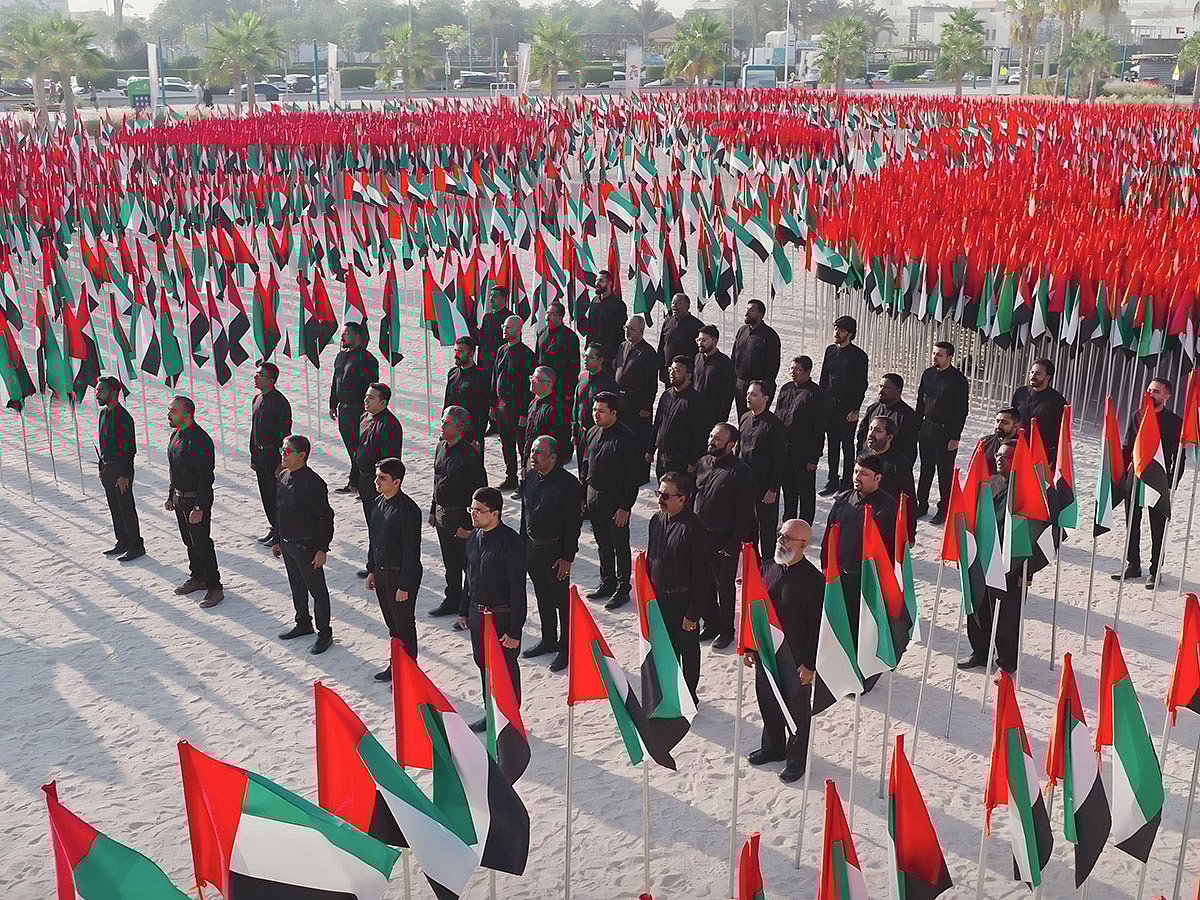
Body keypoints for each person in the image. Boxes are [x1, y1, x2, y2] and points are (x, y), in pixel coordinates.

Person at [745, 519, 823, 783]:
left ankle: (796, 761)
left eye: (788, 538)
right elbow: (753, 609)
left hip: (796, 658)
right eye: (781, 534)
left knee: (797, 711)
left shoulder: (814, 580)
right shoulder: (766, 568)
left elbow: (816, 627)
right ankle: (772, 747)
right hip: (766, 652)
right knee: (767, 701)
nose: (781, 540)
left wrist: (809, 664)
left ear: (803, 545)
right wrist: (749, 646)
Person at [458, 486, 526, 731]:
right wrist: (464, 609)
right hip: (478, 613)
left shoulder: (511, 543)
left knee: (505, 668)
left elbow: (517, 589)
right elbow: (470, 577)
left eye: (479, 510)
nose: (473, 514)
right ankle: (491, 712)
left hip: (501, 616)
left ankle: (511, 717)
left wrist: (515, 631)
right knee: (483, 665)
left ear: (495, 513)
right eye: (472, 509)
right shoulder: (473, 538)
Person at [961, 440, 1025, 674]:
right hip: (984, 553)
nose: (999, 459)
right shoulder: (991, 481)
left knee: (1006, 615)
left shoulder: (1026, 488)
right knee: (978, 604)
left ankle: (1007, 662)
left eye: (1006, 457)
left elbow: (1032, 531)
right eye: (998, 455)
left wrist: (1025, 569)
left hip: (1010, 562)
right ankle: (980, 652)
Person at [647, 472, 712, 701]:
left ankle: (689, 696)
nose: (660, 499)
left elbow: (702, 576)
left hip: (683, 602)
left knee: (688, 651)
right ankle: (670, 692)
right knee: (666, 649)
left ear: (682, 499)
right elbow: (652, 557)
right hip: (660, 598)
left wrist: (693, 614)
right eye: (659, 493)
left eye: (666, 495)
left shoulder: (695, 528)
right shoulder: (656, 520)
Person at [520, 436, 583, 672]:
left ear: (554, 458)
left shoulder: (568, 484)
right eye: (532, 452)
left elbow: (573, 525)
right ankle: (548, 639)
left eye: (538, 453)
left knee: (561, 602)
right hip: (532, 549)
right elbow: (525, 513)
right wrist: (522, 546)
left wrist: (567, 557)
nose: (532, 457)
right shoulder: (531, 477)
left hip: (556, 552)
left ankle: (566, 648)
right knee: (542, 596)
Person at [1113, 377, 1182, 588]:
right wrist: (1120, 474)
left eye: (1157, 391)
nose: (1151, 394)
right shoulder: (1138, 415)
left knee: (1157, 526)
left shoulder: (1174, 421)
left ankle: (1155, 570)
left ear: (1167, 396)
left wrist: (1171, 482)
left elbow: (1179, 456)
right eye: (1150, 390)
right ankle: (1133, 565)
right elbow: (1127, 446)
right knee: (1132, 522)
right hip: (1135, 475)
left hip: (1158, 479)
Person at [693, 423, 755, 648]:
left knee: (724, 587)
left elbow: (744, 514)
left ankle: (727, 631)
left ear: (731, 444)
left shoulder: (740, 472)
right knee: (703, 583)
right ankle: (711, 624)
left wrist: (732, 544)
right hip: (700, 536)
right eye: (711, 436)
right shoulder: (703, 463)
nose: (712, 441)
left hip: (723, 539)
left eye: (718, 439)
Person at [272, 435, 335, 655]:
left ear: (302, 455)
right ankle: (303, 622)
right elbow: (280, 511)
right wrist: (277, 539)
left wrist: (322, 548)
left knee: (317, 591)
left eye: (287, 451)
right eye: (283, 450)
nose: (283, 454)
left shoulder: (313, 483)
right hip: (288, 543)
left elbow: (326, 517)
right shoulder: (283, 475)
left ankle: (324, 633)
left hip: (307, 547)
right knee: (296, 585)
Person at [823, 454, 897, 638]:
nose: (857, 477)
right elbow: (828, 535)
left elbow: (891, 547)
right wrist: (826, 566)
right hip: (840, 577)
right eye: (856, 471)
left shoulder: (888, 507)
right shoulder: (842, 500)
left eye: (863, 473)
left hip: (868, 581)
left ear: (877, 478)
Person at [582, 391, 641, 609]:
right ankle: (607, 582)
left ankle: (622, 587)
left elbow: (632, 476)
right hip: (594, 495)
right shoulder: (592, 432)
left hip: (615, 500)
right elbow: (586, 464)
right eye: (594, 410)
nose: (596, 414)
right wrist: (583, 496)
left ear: (614, 413)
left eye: (601, 411)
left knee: (619, 545)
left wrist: (625, 506)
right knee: (602, 543)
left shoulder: (626, 439)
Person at [366, 458, 422, 680]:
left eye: (382, 478)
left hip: (400, 575)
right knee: (393, 625)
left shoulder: (408, 510)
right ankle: (396, 665)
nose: (377, 481)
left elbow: (411, 551)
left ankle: (410, 671)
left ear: (397, 482)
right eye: (377, 477)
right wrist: (371, 569)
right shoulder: (378, 503)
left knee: (404, 624)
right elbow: (373, 539)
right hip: (381, 573)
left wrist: (404, 585)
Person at [428, 406, 487, 618]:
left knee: (466, 565)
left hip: (460, 516)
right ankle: (452, 598)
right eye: (442, 422)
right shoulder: (441, 447)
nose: (442, 426)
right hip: (443, 515)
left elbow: (478, 492)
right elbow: (437, 480)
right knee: (450, 563)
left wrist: (469, 526)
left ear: (459, 428)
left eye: (447, 424)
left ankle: (470, 606)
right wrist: (434, 509)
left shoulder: (470, 455)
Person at [165, 396, 222, 608]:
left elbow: (206, 478)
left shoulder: (199, 440)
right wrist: (171, 495)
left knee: (202, 543)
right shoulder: (176, 435)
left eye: (173, 411)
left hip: (195, 500)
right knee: (189, 541)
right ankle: (197, 577)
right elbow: (174, 469)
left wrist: (199, 507)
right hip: (180, 499)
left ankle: (214, 586)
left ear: (187, 414)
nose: (169, 415)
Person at [914, 341, 969, 526]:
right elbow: (920, 402)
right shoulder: (928, 374)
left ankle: (944, 508)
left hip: (946, 432)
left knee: (944, 473)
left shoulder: (958, 380)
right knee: (926, 469)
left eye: (939, 355)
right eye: (934, 353)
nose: (935, 357)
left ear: (949, 357)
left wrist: (955, 436)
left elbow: (962, 410)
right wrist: (916, 427)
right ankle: (921, 504)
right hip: (927, 428)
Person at [355, 382, 404, 575]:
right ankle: (373, 563)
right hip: (364, 480)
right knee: (372, 523)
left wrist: (385, 485)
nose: (366, 400)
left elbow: (391, 462)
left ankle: (379, 566)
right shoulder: (365, 418)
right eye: (366, 396)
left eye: (371, 398)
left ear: (383, 402)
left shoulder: (389, 425)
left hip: (380, 483)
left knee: (382, 526)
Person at [818, 315, 869, 496]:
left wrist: (855, 409)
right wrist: (821, 402)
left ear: (850, 334)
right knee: (832, 444)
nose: (837, 333)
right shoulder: (830, 350)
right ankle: (832, 479)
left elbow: (861, 385)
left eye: (841, 330)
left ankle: (847, 482)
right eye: (836, 329)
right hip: (830, 405)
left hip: (848, 408)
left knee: (847, 445)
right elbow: (824, 378)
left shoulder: (859, 356)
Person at [739, 380, 788, 564]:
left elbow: (779, 461)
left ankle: (768, 565)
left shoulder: (774, 425)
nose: (748, 397)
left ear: (765, 398)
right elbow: (739, 450)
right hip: (745, 483)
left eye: (753, 395)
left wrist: (773, 489)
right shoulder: (745, 418)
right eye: (748, 394)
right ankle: (752, 563)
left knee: (766, 529)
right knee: (747, 526)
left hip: (765, 486)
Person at [774, 356, 827, 524]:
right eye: (791, 368)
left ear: (807, 371)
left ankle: (805, 526)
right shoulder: (786, 388)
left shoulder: (816, 394)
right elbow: (777, 415)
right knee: (789, 490)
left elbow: (818, 429)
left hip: (804, 452)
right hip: (785, 450)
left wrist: (814, 457)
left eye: (797, 369)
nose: (793, 372)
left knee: (805, 492)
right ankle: (789, 524)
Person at [96, 376, 144, 562]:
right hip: (107, 469)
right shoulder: (103, 414)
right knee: (114, 507)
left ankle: (136, 545)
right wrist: (101, 468)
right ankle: (122, 541)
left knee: (126, 508)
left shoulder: (124, 417)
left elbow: (129, 449)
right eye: (97, 390)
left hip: (120, 469)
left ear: (114, 393)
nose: (97, 394)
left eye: (101, 391)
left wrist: (125, 474)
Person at [329, 322, 379, 493]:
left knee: (362, 449)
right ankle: (354, 482)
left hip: (359, 410)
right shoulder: (340, 356)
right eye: (343, 333)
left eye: (347, 333)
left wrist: (369, 409)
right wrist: (332, 404)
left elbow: (372, 386)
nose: (343, 337)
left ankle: (364, 484)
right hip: (343, 409)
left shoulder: (367, 359)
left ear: (357, 336)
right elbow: (335, 381)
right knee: (352, 449)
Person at [250, 360, 292, 545]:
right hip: (260, 455)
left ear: (271, 380)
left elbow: (285, 434)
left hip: (273, 455)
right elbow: (254, 429)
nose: (255, 377)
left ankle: (281, 532)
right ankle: (274, 527)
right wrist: (253, 455)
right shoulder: (257, 399)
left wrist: (283, 462)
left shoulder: (279, 402)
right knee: (266, 495)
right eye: (256, 373)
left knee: (277, 496)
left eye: (260, 375)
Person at [491, 314, 535, 490]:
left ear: (519, 330)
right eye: (504, 326)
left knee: (522, 445)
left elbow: (529, 388)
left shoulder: (527, 354)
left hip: (518, 407)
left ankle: (526, 480)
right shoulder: (501, 351)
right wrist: (492, 404)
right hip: (502, 407)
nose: (505, 329)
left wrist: (524, 413)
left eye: (508, 327)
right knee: (506, 444)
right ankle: (511, 477)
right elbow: (495, 377)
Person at [648, 354, 709, 480]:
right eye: (671, 369)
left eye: (677, 370)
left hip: (681, 461)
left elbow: (699, 434)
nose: (672, 373)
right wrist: (650, 450)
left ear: (688, 375)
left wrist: (692, 461)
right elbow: (658, 423)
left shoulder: (695, 401)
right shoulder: (666, 395)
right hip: (662, 457)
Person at [615, 315, 658, 485]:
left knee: (638, 440)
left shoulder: (648, 353)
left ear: (641, 330)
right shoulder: (623, 346)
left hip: (638, 404)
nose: (627, 331)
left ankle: (639, 476)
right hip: (621, 401)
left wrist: (646, 406)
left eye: (631, 329)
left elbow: (651, 384)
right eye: (626, 327)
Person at [865, 416, 917, 541]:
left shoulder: (899, 464)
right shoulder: (864, 457)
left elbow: (909, 500)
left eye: (878, 431)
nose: (871, 434)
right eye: (870, 429)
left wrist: (910, 533)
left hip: (886, 526)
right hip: (863, 521)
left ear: (889, 437)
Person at [1012, 358, 1067, 470]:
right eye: (1031, 372)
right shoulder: (1021, 393)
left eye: (1037, 374)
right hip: (1018, 447)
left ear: (1047, 377)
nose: (1033, 376)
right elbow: (1012, 418)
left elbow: (1060, 433)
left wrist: (1053, 458)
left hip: (1042, 454)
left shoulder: (1057, 401)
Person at [731, 299, 781, 419]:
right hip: (740, 386)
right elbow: (734, 357)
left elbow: (773, 366)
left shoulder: (770, 336)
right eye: (747, 309)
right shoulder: (742, 331)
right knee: (743, 419)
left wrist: (763, 388)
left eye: (752, 310)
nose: (747, 313)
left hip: (759, 388)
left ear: (761, 314)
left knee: (758, 419)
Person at [523, 366, 573, 482]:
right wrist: (525, 461)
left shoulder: (555, 408)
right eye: (532, 378)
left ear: (548, 384)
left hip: (547, 465)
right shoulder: (533, 403)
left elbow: (560, 440)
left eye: (536, 379)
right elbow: (529, 435)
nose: (532, 381)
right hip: (532, 458)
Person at [856, 373, 918, 463]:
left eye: (886, 388)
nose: (881, 391)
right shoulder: (873, 408)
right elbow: (862, 436)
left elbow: (908, 450)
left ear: (898, 390)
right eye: (880, 386)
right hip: (869, 463)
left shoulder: (907, 416)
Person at [574, 343, 618, 466]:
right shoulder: (582, 377)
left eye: (590, 357)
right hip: (581, 433)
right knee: (581, 468)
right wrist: (574, 430)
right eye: (585, 356)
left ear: (600, 360)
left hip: (598, 434)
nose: (585, 360)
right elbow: (577, 403)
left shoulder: (608, 383)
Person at [443, 335, 490, 448]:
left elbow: (483, 411)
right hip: (452, 435)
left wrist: (477, 437)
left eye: (460, 351)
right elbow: (447, 403)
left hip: (471, 437)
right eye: (455, 350)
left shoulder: (481, 377)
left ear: (470, 353)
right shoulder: (452, 373)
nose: (456, 355)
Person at [535, 301, 580, 417]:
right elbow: (536, 360)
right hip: (543, 388)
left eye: (551, 314)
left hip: (560, 390)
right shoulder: (541, 334)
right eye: (547, 313)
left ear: (560, 316)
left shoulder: (570, 337)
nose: (547, 317)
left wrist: (569, 391)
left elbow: (574, 367)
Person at [694, 323, 736, 431]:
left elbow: (727, 395)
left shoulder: (725, 363)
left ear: (714, 341)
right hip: (695, 413)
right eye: (698, 340)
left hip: (713, 416)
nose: (700, 343)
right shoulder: (697, 358)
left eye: (704, 340)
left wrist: (721, 420)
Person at [578, 270, 627, 360]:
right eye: (596, 280)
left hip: (610, 354)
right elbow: (590, 328)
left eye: (601, 280)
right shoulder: (594, 301)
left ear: (609, 283)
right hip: (593, 353)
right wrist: (587, 347)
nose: (597, 283)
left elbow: (620, 333)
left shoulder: (618, 305)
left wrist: (618, 356)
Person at [657, 293, 704, 385]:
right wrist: (661, 369)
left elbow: (701, 353)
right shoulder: (667, 322)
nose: (674, 306)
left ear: (688, 306)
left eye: (679, 303)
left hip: (688, 376)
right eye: (673, 303)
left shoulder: (697, 326)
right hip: (669, 373)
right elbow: (662, 347)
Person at [477, 285, 512, 385]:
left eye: (495, 296)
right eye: (491, 295)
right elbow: (482, 341)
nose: (491, 298)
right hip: (485, 365)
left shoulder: (509, 318)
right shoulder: (487, 317)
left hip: (501, 365)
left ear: (504, 298)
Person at [979, 407, 1020, 476]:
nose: (999, 425)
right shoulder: (984, 442)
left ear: (1015, 426)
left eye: (1005, 422)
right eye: (997, 421)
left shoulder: (1021, 446)